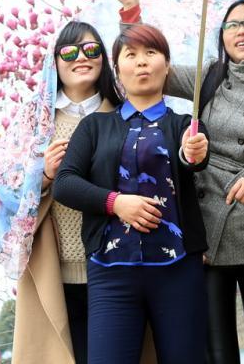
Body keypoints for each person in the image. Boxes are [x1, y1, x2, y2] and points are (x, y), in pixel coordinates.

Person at [113, 0, 244, 364]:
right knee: (216, 354)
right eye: (232, 25)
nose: (240, 31)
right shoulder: (209, 77)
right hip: (209, 230)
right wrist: (131, 15)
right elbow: (147, 69)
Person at [54, 23, 210, 364]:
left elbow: (193, 158)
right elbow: (64, 183)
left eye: (151, 53)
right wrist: (115, 203)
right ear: (117, 69)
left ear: (166, 66)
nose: (141, 62)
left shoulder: (185, 126)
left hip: (179, 270)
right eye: (131, 55)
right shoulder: (94, 126)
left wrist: (193, 153)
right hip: (111, 273)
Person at [12, 21, 129, 364]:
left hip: (116, 264)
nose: (81, 57)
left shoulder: (123, 114)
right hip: (53, 267)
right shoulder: (37, 119)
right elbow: (3, 189)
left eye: (92, 49)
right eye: (70, 51)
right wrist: (44, 176)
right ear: (55, 61)